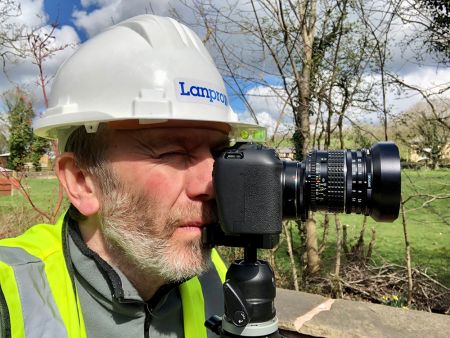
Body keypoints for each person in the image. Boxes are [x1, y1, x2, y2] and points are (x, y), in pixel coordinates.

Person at [0, 15, 265, 338]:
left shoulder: (214, 275)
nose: (209, 184)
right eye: (173, 153)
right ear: (82, 181)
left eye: (219, 154)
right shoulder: (12, 293)